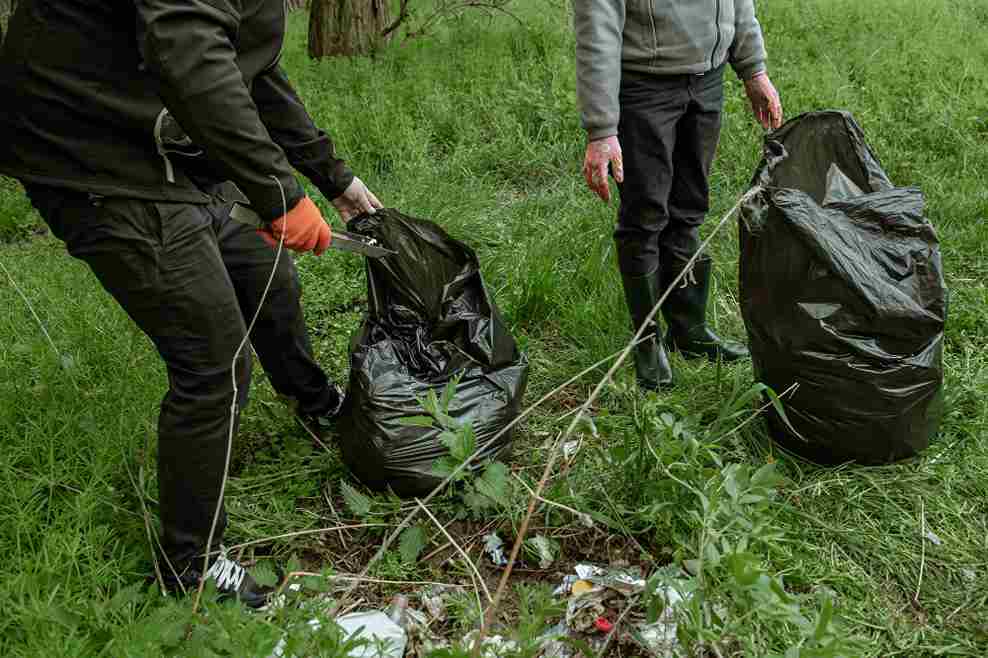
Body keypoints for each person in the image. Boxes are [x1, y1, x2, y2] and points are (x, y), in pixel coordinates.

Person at [0, 0, 382, 608]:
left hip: (166, 134)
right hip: (90, 153)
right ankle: (193, 568)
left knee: (266, 275)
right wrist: (279, 193)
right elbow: (190, 52)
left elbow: (243, 66)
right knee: (214, 360)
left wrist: (329, 177)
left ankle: (317, 406)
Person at [572, 0, 783, 390]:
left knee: (689, 208)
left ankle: (689, 329)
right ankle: (647, 343)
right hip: (644, 88)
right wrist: (602, 129)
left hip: (707, 83)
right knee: (645, 215)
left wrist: (753, 69)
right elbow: (596, 30)